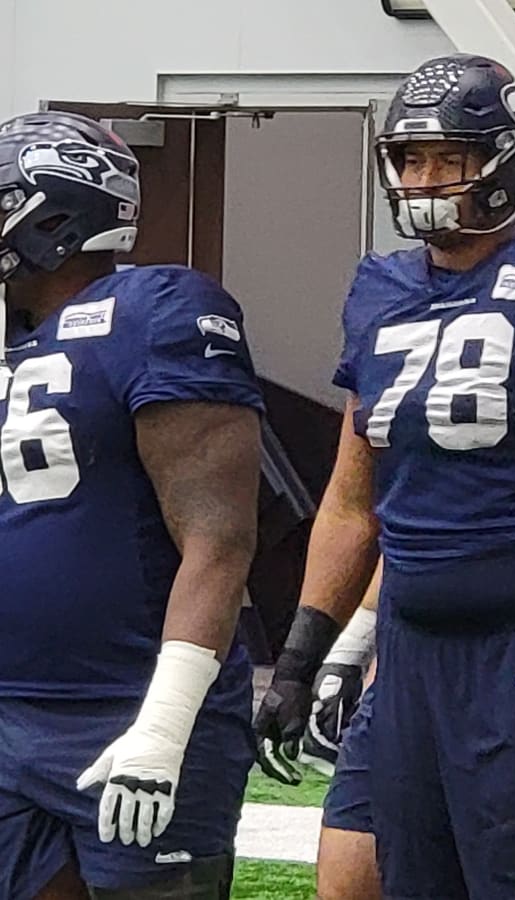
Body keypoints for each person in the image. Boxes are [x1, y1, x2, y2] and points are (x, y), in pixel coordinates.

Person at [254, 54, 515, 900]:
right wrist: (300, 657)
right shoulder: (379, 289)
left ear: (505, 158)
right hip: (414, 646)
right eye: (410, 159)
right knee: (410, 880)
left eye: (447, 158)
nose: (424, 179)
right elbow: (351, 500)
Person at [0, 111, 263, 899]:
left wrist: (165, 723)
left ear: (50, 214)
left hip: (130, 704)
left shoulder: (154, 310)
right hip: (11, 708)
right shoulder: (17, 342)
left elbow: (220, 538)